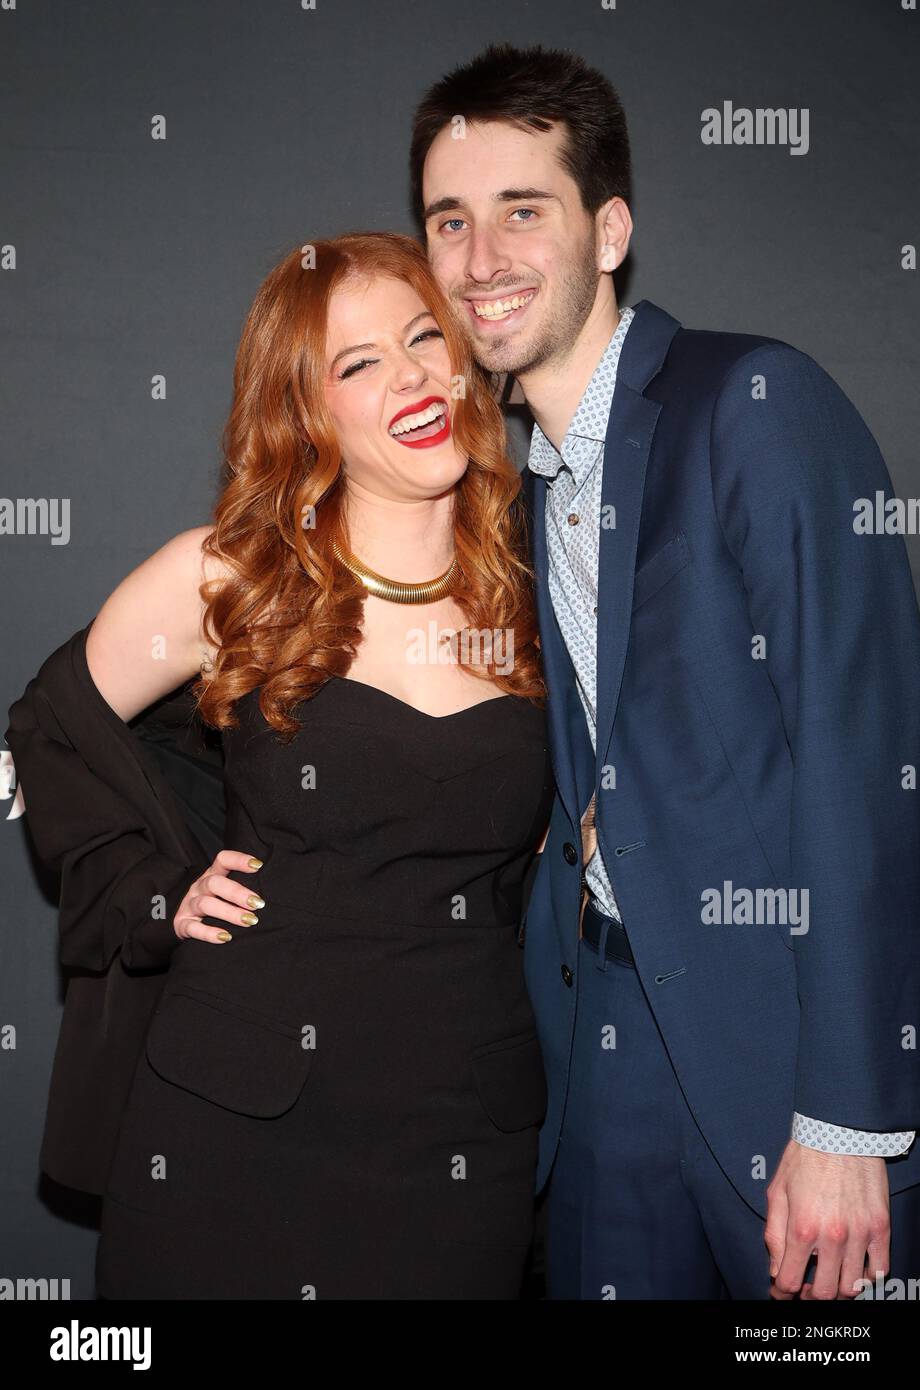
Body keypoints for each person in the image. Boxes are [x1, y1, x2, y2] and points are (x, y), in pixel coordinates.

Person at [411, 43, 920, 1300]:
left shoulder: (748, 402)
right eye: (449, 222)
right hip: (601, 1055)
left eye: (522, 210)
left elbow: (866, 767)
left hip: (783, 1059)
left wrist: (847, 1121)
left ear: (610, 228)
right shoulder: (512, 496)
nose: (481, 260)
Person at [8, 231, 554, 1299]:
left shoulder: (543, 587)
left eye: (421, 337)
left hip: (461, 1139)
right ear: (309, 415)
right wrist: (151, 891)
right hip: (232, 1132)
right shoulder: (231, 579)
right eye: (357, 364)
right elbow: (49, 726)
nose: (408, 375)